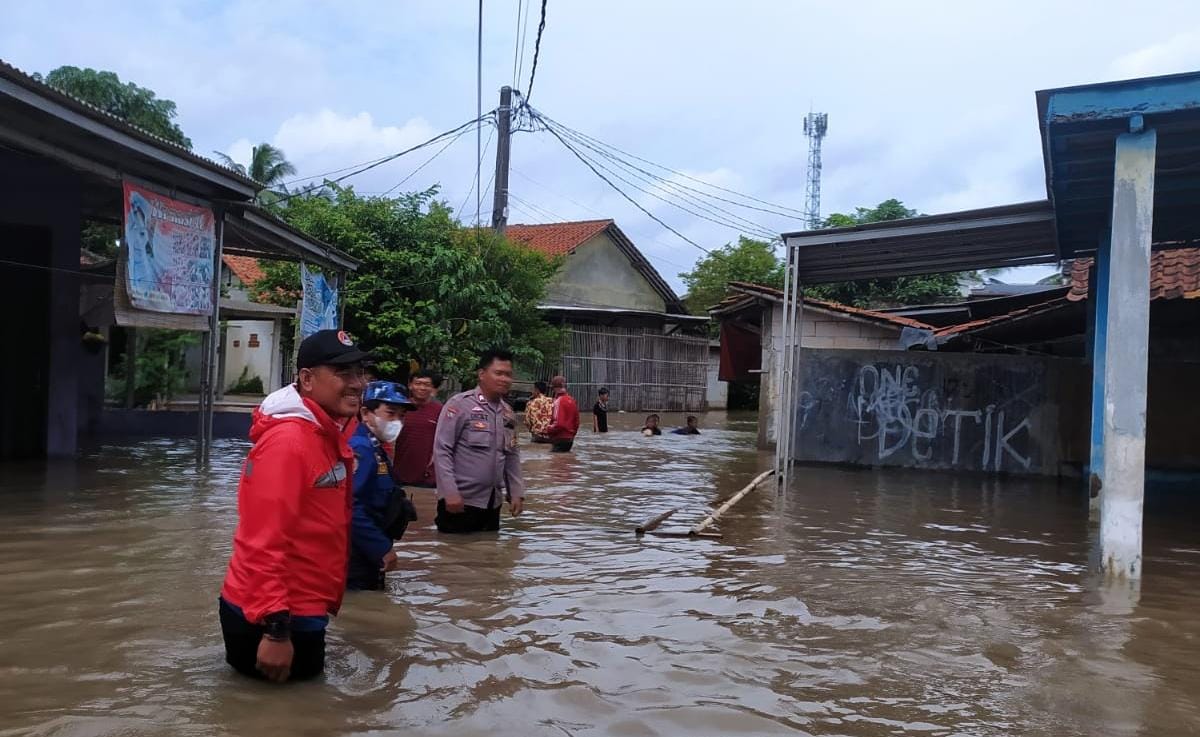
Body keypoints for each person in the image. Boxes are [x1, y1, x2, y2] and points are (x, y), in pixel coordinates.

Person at [218, 328, 369, 683]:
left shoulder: (325, 432)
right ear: (306, 379)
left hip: (302, 605)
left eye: (360, 372)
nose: (358, 383)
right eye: (343, 373)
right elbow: (261, 541)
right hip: (274, 615)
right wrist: (276, 630)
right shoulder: (289, 443)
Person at [433, 348, 525, 533]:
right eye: (498, 373)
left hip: (492, 503)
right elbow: (442, 450)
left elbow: (512, 455)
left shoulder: (507, 413)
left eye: (508, 374)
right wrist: (449, 493)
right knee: (455, 556)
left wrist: (516, 492)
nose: (504, 379)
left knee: (488, 556)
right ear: (482, 374)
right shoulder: (459, 405)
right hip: (460, 501)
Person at [348, 381, 417, 592]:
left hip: (368, 551)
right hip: (357, 554)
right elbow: (351, 507)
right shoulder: (361, 449)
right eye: (391, 413)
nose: (397, 421)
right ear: (366, 413)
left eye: (402, 416)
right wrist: (381, 548)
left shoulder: (377, 449)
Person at [393, 370, 443, 488]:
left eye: (427, 385)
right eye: (418, 383)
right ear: (410, 385)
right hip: (398, 473)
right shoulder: (399, 408)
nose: (422, 388)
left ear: (433, 389)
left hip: (428, 477)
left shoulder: (440, 410)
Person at [544, 375, 580, 453]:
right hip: (570, 439)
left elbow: (559, 423)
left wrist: (548, 429)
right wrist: (572, 434)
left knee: (555, 462)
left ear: (555, 388)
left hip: (559, 438)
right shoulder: (572, 400)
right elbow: (576, 422)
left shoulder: (558, 401)